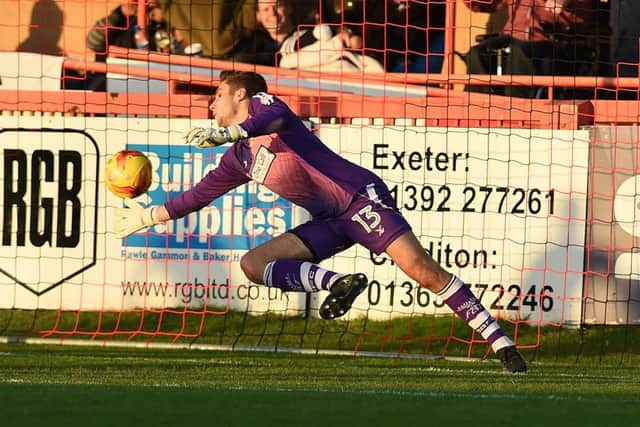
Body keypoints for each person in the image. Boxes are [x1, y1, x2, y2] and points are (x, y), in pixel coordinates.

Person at [114, 71, 528, 373]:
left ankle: (501, 343)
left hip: (358, 200)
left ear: (241, 93)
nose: (210, 104)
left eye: (217, 95)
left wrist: (230, 133)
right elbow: (200, 195)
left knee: (422, 270)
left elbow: (265, 122)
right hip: (328, 219)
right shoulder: (238, 158)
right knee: (252, 265)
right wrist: (150, 216)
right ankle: (338, 283)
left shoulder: (265, 106)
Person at [463, 0, 595, 97]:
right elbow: (491, 4)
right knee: (477, 52)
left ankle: (517, 104)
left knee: (520, 50)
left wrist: (564, 2)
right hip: (511, 35)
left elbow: (584, 13)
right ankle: (476, 102)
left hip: (548, 39)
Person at [85, 1, 138, 91]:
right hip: (106, 78)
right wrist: (118, 15)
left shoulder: (155, 27)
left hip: (137, 78)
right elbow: (92, 42)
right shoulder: (115, 20)